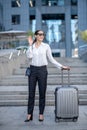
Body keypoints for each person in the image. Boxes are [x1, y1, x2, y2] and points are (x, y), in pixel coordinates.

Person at [24, 30, 70, 122]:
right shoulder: (32, 47)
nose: (42, 36)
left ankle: (41, 114)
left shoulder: (46, 46)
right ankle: (29, 114)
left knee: (42, 93)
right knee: (31, 93)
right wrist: (30, 46)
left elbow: (51, 59)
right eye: (40, 34)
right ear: (36, 36)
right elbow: (29, 57)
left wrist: (61, 66)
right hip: (32, 70)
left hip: (42, 71)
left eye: (43, 34)